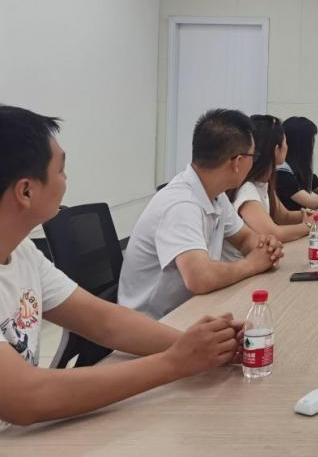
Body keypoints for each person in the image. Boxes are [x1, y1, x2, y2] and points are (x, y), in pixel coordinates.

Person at [0, 105, 244, 428]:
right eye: (60, 170)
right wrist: (173, 363)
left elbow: (104, 321)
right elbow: (26, 397)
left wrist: (203, 347)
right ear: (26, 191)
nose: (66, 180)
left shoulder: (23, 253)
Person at [119, 109, 284, 320]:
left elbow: (244, 239)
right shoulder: (181, 204)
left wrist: (266, 248)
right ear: (237, 162)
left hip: (194, 307)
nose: (254, 163)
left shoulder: (215, 194)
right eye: (254, 156)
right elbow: (200, 277)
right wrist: (252, 264)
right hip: (155, 323)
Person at [222, 115, 313, 262]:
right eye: (285, 142)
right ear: (276, 150)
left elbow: (283, 216)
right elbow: (273, 233)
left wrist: (307, 215)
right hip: (241, 266)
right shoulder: (247, 190)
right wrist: (310, 226)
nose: (287, 147)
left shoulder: (264, 183)